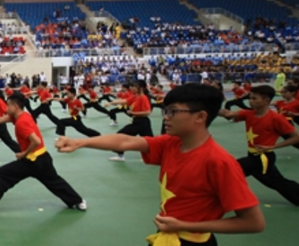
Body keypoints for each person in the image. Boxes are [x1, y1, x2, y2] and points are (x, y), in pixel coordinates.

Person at [55, 83, 266, 245]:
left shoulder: (219, 162)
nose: (166, 117)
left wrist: (186, 225)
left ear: (200, 117)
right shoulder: (171, 144)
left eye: (173, 111)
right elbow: (126, 141)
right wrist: (80, 142)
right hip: (167, 235)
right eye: (166, 110)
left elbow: (253, 222)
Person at [0, 92, 86, 214]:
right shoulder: (22, 115)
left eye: (8, 105)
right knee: (54, 181)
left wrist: (23, 154)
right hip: (43, 158)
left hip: (32, 160)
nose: (6, 109)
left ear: (15, 106)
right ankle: (78, 201)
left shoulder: (21, 122)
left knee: (0, 174)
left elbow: (36, 141)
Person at [219, 85, 299, 207]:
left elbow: (297, 138)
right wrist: (207, 107)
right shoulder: (249, 114)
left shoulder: (276, 118)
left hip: (263, 157)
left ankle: (216, 198)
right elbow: (228, 113)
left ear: (266, 101)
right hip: (253, 155)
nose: (250, 101)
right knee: (276, 182)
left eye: (254, 98)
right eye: (250, 98)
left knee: (230, 170)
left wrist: (272, 147)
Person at [104, 80, 154, 161]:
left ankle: (120, 156)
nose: (132, 88)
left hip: (141, 122)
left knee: (120, 135)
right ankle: (153, 156)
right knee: (150, 141)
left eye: (134, 86)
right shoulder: (135, 96)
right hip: (138, 122)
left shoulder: (143, 98)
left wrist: (133, 112)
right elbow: (125, 101)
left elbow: (147, 112)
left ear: (141, 88)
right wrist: (111, 102)